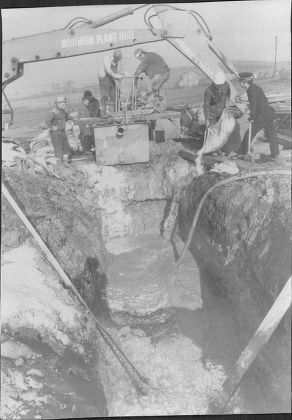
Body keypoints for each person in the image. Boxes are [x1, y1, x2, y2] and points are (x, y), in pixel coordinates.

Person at [237, 72, 279, 160]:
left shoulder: (251, 90)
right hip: (268, 113)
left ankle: (242, 153)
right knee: (272, 135)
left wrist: (251, 117)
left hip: (262, 116)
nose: (240, 84)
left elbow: (254, 106)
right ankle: (275, 155)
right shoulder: (254, 87)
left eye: (240, 82)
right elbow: (257, 102)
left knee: (249, 133)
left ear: (244, 82)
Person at [45, 96, 73, 167]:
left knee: (66, 147)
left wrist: (73, 118)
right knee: (58, 148)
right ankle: (59, 164)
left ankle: (65, 162)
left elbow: (66, 117)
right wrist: (53, 128)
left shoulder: (63, 111)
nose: (64, 105)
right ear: (57, 104)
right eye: (62, 103)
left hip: (62, 132)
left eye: (64, 103)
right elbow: (47, 121)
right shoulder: (53, 112)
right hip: (55, 133)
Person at [98, 50, 124, 116]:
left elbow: (114, 73)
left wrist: (119, 76)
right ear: (115, 57)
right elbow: (108, 70)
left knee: (114, 96)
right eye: (117, 60)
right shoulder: (107, 58)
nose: (117, 62)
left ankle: (113, 113)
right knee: (105, 97)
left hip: (110, 79)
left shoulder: (116, 62)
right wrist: (115, 75)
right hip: (103, 79)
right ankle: (104, 114)